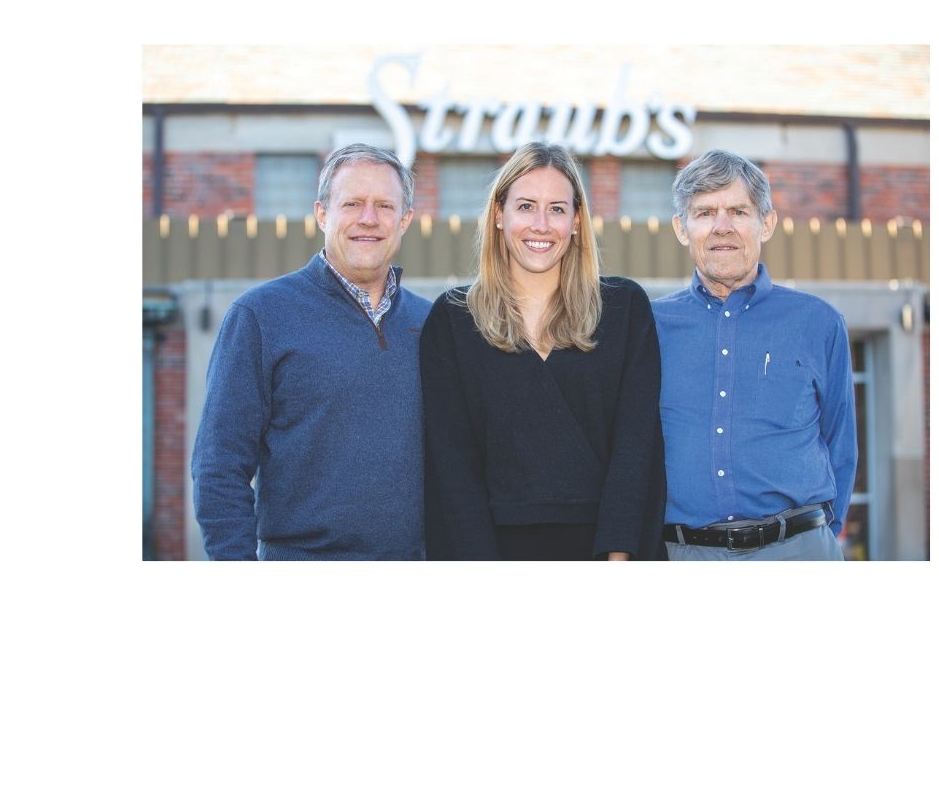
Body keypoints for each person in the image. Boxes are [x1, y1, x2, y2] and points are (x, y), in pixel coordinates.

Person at [420, 142, 666, 561]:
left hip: (604, 551)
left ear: (576, 221)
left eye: (557, 209)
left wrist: (618, 558)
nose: (541, 225)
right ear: (499, 215)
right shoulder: (454, 319)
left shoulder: (624, 309)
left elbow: (636, 447)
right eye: (526, 206)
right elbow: (452, 467)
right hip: (492, 553)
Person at [192, 143, 431, 560]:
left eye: (384, 206)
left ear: (405, 219)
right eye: (352, 203)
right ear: (322, 213)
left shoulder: (431, 323)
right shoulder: (261, 316)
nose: (369, 218)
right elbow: (219, 466)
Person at [653, 149, 857, 561]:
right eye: (705, 213)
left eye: (738, 212)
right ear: (681, 228)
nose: (722, 227)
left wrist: (814, 539)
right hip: (684, 556)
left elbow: (841, 446)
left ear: (766, 224)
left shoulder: (818, 323)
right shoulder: (649, 327)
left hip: (799, 554)